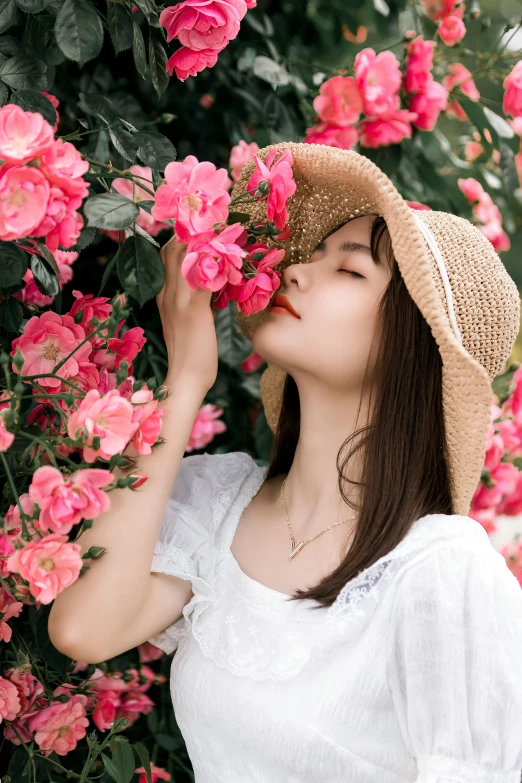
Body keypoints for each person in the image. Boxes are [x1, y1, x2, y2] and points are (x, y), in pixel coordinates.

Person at [49, 142, 522, 782]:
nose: (296, 271)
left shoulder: (439, 571)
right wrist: (186, 379)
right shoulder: (221, 506)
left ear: (415, 342)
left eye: (350, 271)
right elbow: (83, 628)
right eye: (312, 254)